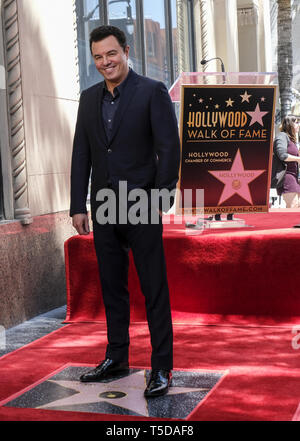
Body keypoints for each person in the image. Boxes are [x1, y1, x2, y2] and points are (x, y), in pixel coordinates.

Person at [70, 25, 180, 398]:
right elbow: (81, 154)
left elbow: (169, 146)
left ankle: (161, 366)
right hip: (102, 206)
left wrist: (162, 196)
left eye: (111, 54)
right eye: (98, 57)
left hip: (141, 204)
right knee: (112, 288)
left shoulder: (151, 91)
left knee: (153, 288)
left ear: (126, 51)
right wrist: (76, 205)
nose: (105, 62)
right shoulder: (87, 99)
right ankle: (116, 357)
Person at [272, 115, 300, 208]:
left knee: (297, 206)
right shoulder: (282, 136)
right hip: (287, 176)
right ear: (289, 124)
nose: (299, 125)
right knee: (293, 206)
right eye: (296, 122)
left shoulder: (292, 140)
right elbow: (282, 155)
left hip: (294, 176)